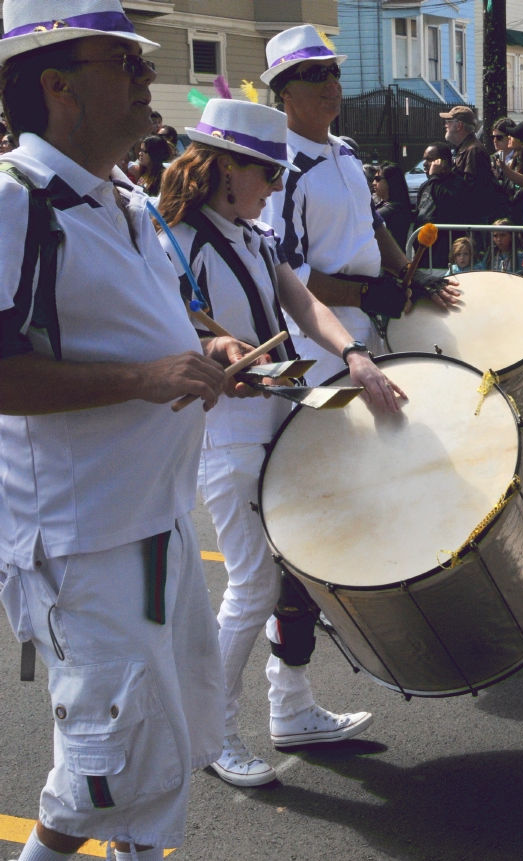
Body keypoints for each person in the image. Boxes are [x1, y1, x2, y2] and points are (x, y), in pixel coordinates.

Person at [0, 2, 259, 856]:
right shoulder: (16, 202)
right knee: (104, 765)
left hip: (157, 519)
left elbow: (159, 312)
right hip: (84, 538)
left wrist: (205, 342)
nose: (150, 78)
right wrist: (143, 379)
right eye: (129, 63)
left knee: (164, 750)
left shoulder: (126, 200)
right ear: (58, 85)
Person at [155, 98, 404, 788]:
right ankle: (211, 734)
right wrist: (209, 348)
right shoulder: (175, 238)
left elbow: (306, 306)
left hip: (275, 415)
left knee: (292, 574)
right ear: (223, 169)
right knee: (253, 580)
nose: (273, 184)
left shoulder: (253, 235)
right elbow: (164, 331)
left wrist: (354, 355)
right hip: (223, 435)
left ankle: (291, 710)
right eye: (264, 171)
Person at [261, 25, 460, 383]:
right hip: (317, 338)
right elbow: (286, 272)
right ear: (285, 91)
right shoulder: (281, 169)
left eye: (334, 71)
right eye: (315, 74)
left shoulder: (346, 151)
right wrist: (366, 294)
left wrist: (407, 273)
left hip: (364, 321)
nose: (332, 84)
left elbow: (372, 224)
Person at [442, 104, 506, 226]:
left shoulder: (474, 151)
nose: (446, 125)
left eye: (448, 121)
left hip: (475, 222)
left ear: (459, 125)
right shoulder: (466, 148)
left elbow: (473, 190)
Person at [412, 142, 464, 267]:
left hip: (443, 250)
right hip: (423, 251)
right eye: (424, 159)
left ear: (444, 162)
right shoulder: (426, 185)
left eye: (429, 160)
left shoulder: (457, 183)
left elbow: (446, 204)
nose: (425, 163)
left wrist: (434, 176)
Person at [373, 162, 413, 251]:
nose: (374, 183)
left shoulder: (395, 208)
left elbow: (368, 220)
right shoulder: (386, 205)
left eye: (377, 179)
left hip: (390, 261)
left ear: (391, 181)